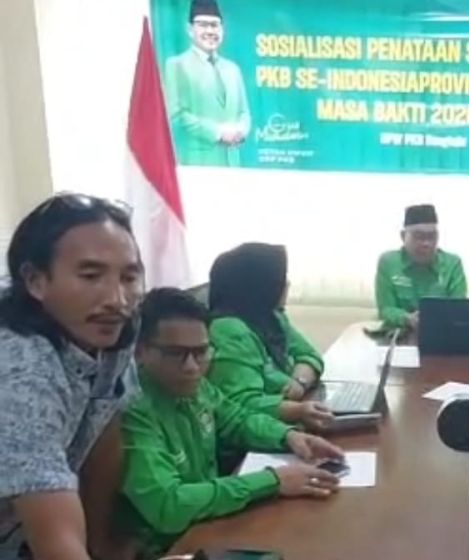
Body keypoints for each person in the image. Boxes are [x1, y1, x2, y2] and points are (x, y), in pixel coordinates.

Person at [120, 288, 344, 555]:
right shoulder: (132, 410)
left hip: (211, 520)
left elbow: (236, 419)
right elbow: (169, 505)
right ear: (140, 351)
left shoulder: (195, 386)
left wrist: (289, 436)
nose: (191, 366)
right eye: (175, 353)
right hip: (170, 547)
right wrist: (272, 481)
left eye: (201, 352)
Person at [0, 194, 144, 560]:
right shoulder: (20, 370)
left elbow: (106, 426)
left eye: (129, 276)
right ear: (35, 280)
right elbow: (56, 544)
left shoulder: (109, 327)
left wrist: (99, 544)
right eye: (91, 275)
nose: (118, 299)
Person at [206, 243, 334, 430]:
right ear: (260, 285)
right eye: (280, 279)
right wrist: (297, 410)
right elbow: (240, 403)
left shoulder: (272, 317)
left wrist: (299, 382)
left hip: (287, 420)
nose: (287, 284)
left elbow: (310, 354)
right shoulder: (229, 330)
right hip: (256, 433)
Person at [164, 0, 250, 167]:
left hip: (233, 164)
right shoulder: (177, 65)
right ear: (190, 29)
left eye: (214, 25)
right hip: (197, 164)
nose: (210, 31)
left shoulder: (233, 69)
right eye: (203, 25)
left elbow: (244, 113)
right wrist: (218, 133)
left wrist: (240, 132)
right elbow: (176, 116)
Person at [375, 204, 466, 330]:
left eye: (432, 236)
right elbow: (385, 309)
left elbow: (459, 308)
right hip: (400, 332)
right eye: (419, 237)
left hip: (442, 332)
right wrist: (407, 318)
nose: (426, 243)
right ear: (403, 236)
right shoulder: (389, 262)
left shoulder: (452, 264)